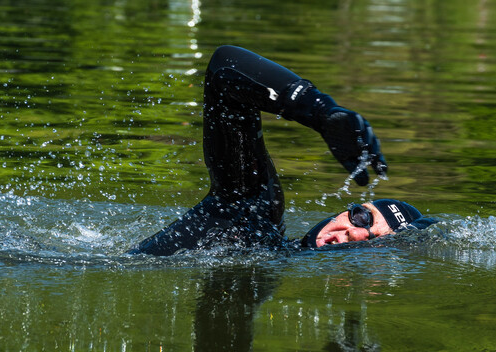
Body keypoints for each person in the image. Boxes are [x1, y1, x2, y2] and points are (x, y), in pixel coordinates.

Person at [129, 45, 434, 256]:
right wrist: (320, 112)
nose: (355, 233)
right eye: (362, 219)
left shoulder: (266, 272)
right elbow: (224, 68)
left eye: (372, 240)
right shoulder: (250, 215)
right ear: (342, 212)